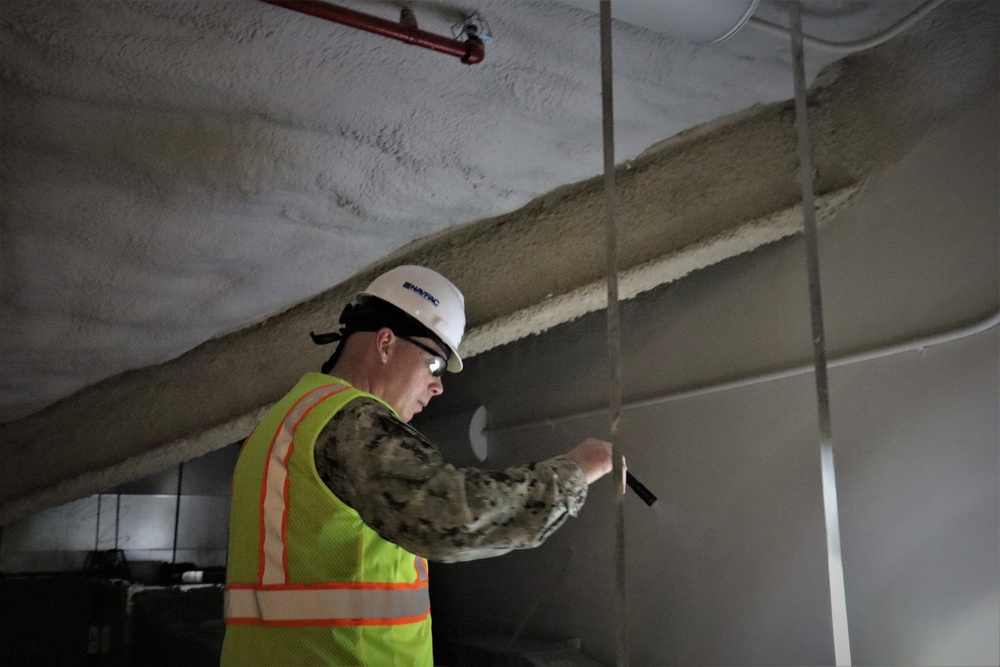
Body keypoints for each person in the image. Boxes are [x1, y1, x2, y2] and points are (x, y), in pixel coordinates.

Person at [221, 265, 613, 666]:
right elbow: (452, 517)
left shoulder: (282, 423)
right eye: (435, 365)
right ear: (386, 344)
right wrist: (574, 472)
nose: (439, 386)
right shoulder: (348, 423)